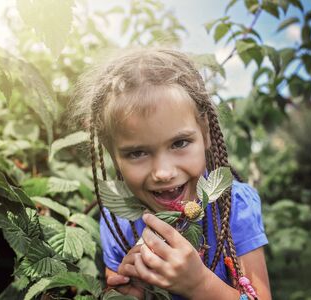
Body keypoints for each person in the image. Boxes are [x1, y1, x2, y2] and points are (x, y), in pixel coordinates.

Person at [72, 47, 272, 299]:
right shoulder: (118, 222)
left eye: (179, 143)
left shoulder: (233, 206)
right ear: (113, 154)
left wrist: (200, 285)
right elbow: (116, 286)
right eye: (137, 153)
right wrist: (130, 293)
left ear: (206, 133)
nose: (163, 172)